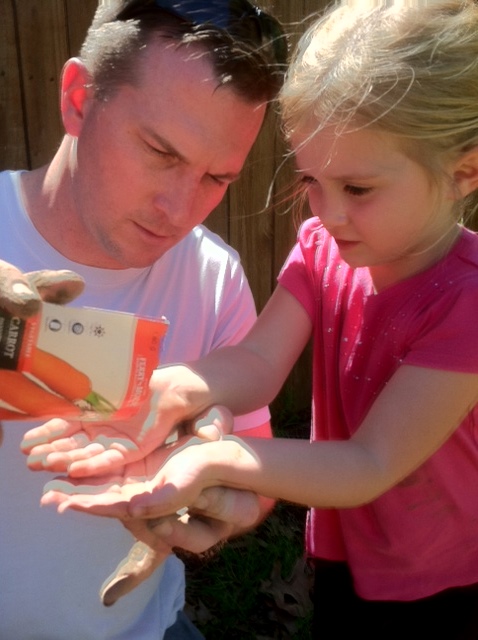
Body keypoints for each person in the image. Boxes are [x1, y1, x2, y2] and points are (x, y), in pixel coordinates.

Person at [32, 1, 478, 638]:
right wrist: (173, 388)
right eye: (311, 179)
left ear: (464, 171)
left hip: (443, 580)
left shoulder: (466, 301)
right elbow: (258, 362)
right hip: (344, 550)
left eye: (357, 189)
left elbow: (369, 463)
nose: (326, 212)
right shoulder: (325, 248)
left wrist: (215, 460)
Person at [0, 0, 288, 637]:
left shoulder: (214, 276)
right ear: (78, 99)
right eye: (161, 151)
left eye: (217, 178)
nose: (180, 210)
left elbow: (257, 468)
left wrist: (220, 494)